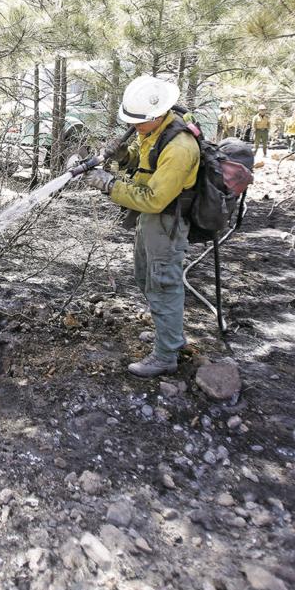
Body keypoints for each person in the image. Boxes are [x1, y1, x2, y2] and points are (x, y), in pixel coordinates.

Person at [82, 75, 200, 377]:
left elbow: (154, 199)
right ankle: (168, 336)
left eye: (138, 122)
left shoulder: (180, 147)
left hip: (166, 221)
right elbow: (145, 163)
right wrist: (124, 155)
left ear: (157, 114)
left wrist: (110, 185)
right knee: (143, 276)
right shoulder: (154, 129)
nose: (134, 128)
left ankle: (165, 356)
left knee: (163, 284)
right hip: (151, 220)